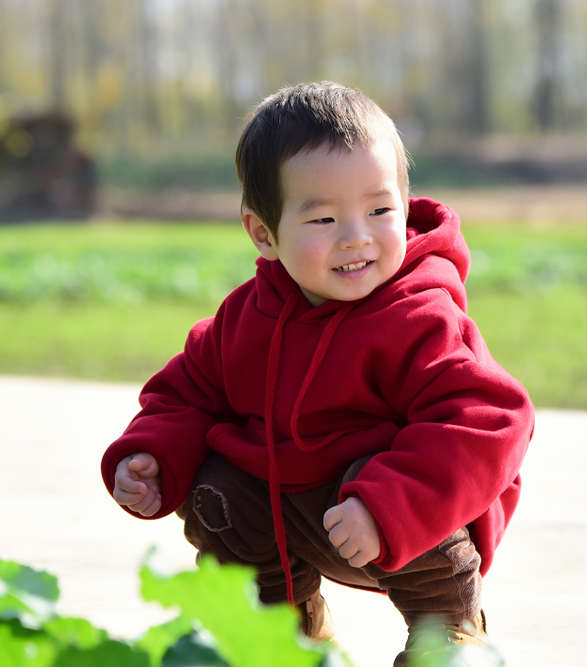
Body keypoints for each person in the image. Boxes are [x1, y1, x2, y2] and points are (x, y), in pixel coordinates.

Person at [100, 81, 534, 667]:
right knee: (218, 485)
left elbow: (491, 420)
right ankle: (288, 630)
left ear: (405, 206)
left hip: (404, 521)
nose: (357, 236)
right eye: (325, 217)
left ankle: (448, 632)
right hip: (295, 514)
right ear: (264, 233)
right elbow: (188, 392)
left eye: (380, 210)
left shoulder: (420, 317)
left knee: (378, 471)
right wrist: (150, 454)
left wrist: (389, 505)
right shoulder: (247, 317)